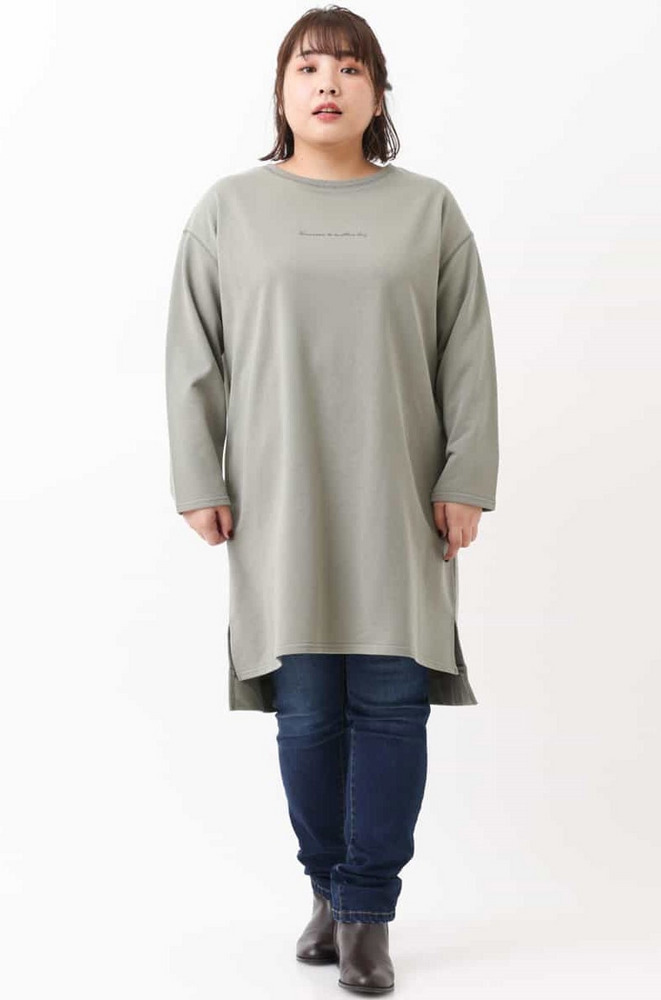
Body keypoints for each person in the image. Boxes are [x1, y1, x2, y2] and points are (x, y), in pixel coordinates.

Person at [164, 6, 499, 994]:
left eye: (351, 69)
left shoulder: (428, 211)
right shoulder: (228, 211)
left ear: (377, 94)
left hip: (401, 498)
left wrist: (466, 476)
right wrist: (199, 479)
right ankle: (326, 885)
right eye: (309, 67)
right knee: (306, 714)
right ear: (280, 92)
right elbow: (193, 357)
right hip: (277, 498)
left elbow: (467, 354)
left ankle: (366, 911)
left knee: (391, 707)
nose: (328, 83)